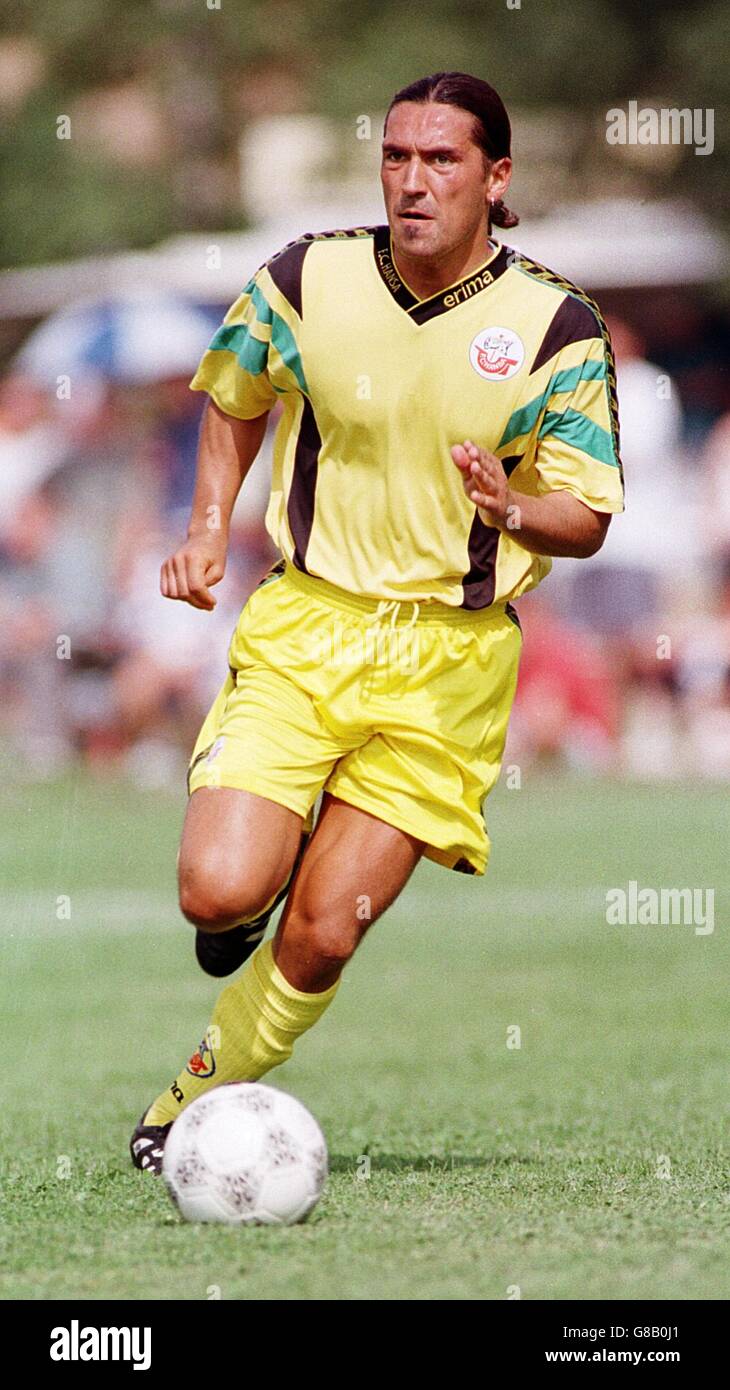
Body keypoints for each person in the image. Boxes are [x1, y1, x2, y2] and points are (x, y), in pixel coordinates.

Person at [130, 71, 624, 1174]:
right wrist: (209, 527)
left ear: (496, 178)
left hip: (447, 667)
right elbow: (232, 394)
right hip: (309, 627)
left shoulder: (556, 325)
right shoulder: (305, 278)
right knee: (219, 889)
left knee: (324, 928)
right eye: (396, 158)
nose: (412, 181)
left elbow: (585, 516)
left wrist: (513, 507)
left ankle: (186, 1104)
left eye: (441, 160)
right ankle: (261, 859)